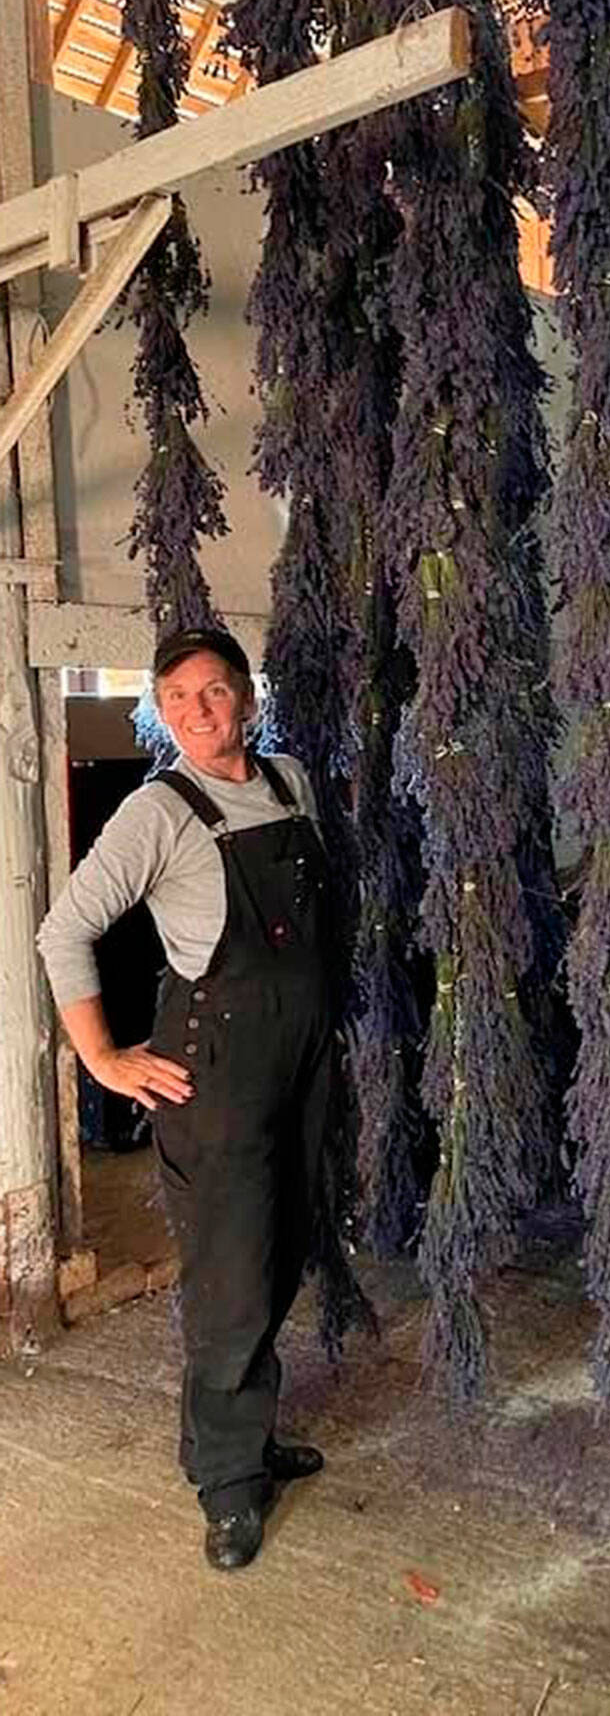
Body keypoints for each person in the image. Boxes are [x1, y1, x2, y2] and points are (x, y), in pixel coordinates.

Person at [38, 626, 333, 1572]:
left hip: (301, 1063)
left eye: (213, 692)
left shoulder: (290, 781)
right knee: (229, 1280)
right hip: (216, 1081)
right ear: (161, 714)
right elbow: (64, 931)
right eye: (177, 700)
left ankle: (236, 1440)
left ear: (244, 695)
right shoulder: (158, 812)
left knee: (284, 1249)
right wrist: (104, 1060)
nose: (199, 713)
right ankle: (228, 1486)